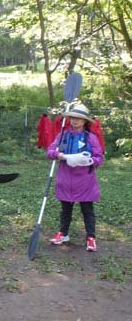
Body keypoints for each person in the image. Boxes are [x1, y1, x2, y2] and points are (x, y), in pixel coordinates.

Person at [47, 104, 104, 252]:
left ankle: (91, 238)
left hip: (85, 180)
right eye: (73, 118)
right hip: (66, 179)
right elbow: (50, 152)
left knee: (87, 210)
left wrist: (90, 161)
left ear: (85, 121)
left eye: (79, 118)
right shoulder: (63, 136)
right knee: (65, 209)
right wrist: (60, 155)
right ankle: (63, 234)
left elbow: (99, 157)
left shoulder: (91, 138)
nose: (75, 121)